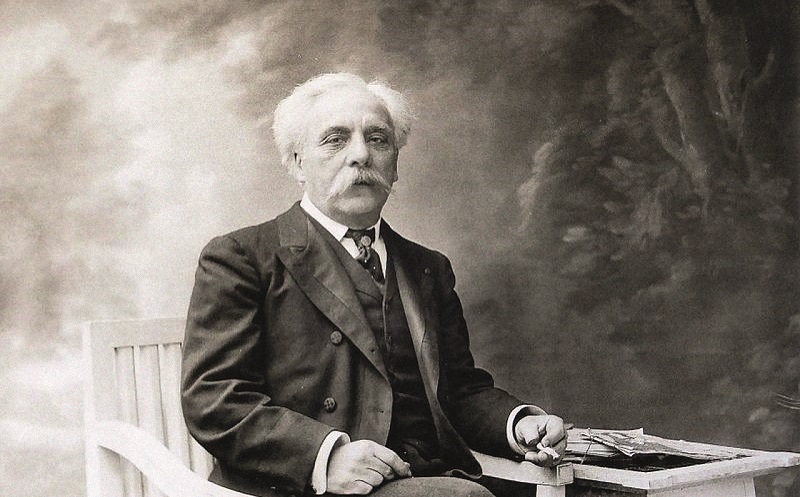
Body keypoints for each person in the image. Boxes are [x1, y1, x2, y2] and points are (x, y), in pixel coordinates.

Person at [181, 73, 567, 497]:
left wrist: (519, 424)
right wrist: (325, 457)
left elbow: (459, 391)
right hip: (304, 487)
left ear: (395, 164)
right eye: (335, 139)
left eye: (378, 139)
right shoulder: (243, 257)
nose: (361, 155)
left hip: (423, 476)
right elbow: (215, 399)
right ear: (297, 162)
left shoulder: (428, 268)